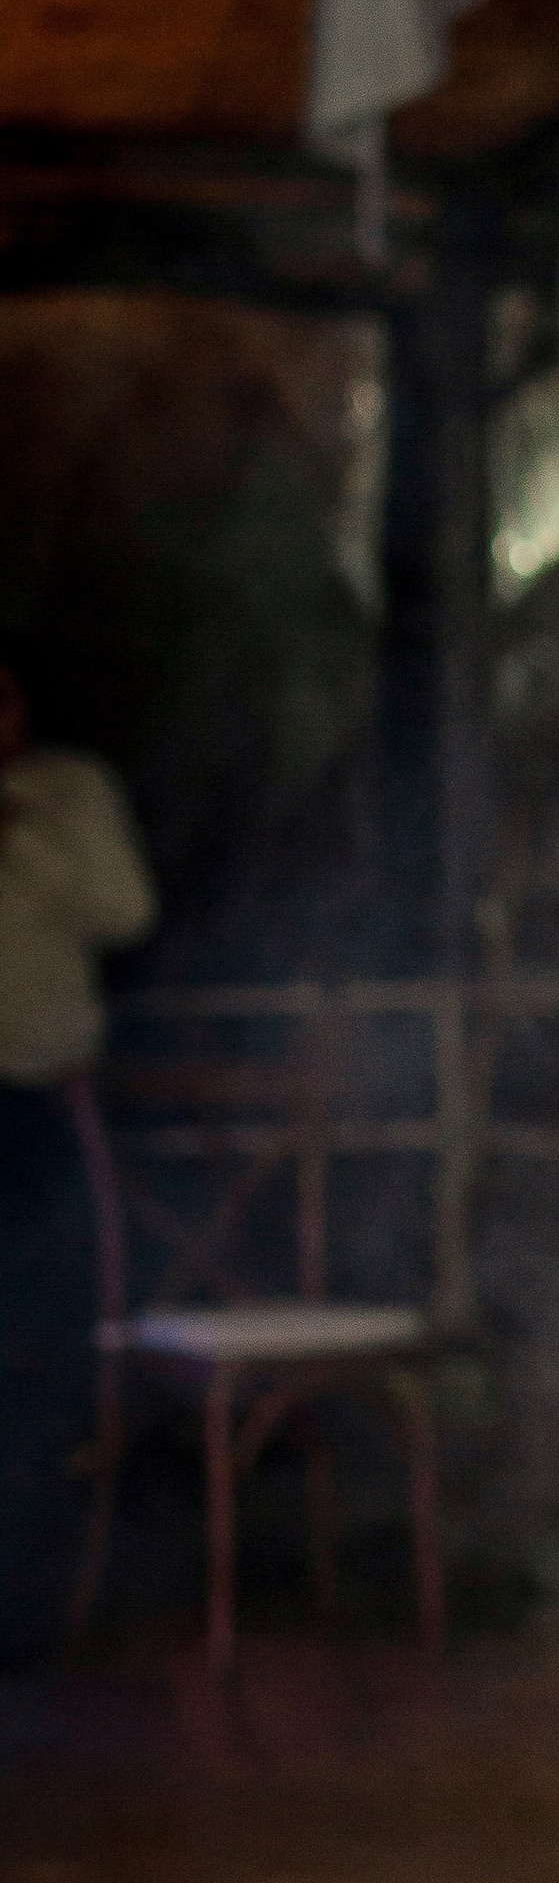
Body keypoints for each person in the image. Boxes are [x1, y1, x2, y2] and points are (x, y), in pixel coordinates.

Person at [0, 666, 157, 1666]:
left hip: (38, 1108)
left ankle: (41, 1614)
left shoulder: (68, 794)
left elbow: (127, 910)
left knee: (51, 1354)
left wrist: (24, 833)